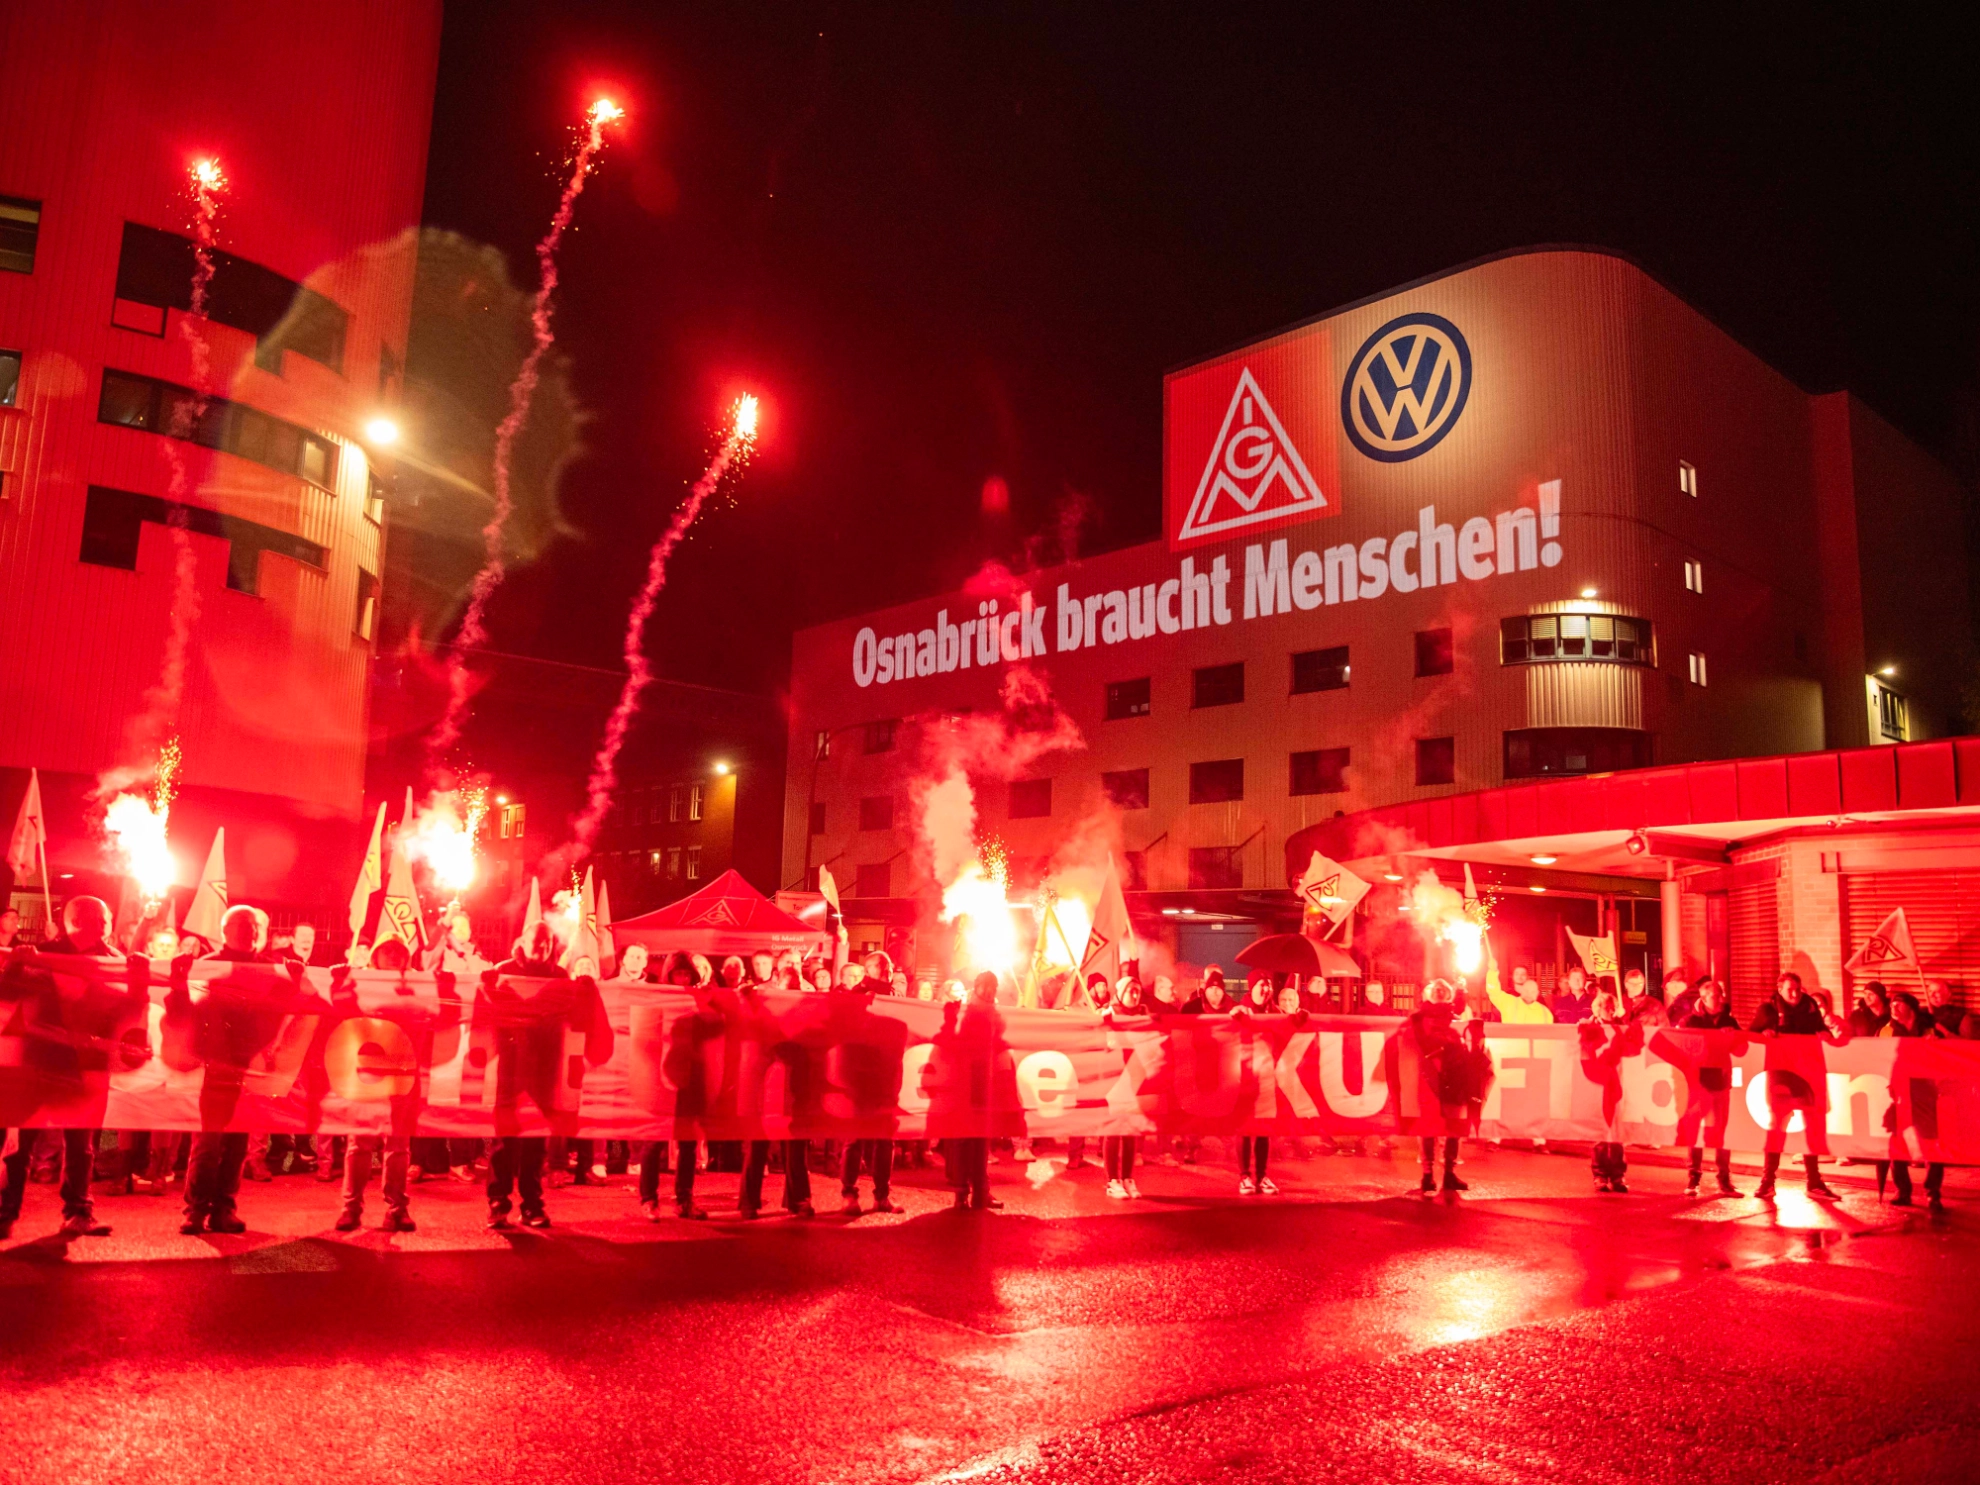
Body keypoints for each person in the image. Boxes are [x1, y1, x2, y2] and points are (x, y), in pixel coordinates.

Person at [0, 896, 144, 1239]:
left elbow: (131, 1009)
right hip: (39, 1063)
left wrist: (138, 977)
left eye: (105, 918)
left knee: (82, 1145)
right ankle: (6, 1211)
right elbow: (6, 999)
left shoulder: (116, 962)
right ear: (77, 921)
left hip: (88, 1067)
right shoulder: (42, 955)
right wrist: (17, 967)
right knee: (19, 1145)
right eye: (99, 918)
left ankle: (79, 1210)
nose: (105, 926)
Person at [483, 922, 568, 1229]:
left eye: (547, 944)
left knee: (535, 1139)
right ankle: (498, 1201)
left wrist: (585, 988)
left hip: (544, 1066)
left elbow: (572, 1012)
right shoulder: (502, 972)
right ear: (523, 941)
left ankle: (532, 1204)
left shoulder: (560, 977)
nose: (541, 949)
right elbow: (485, 1012)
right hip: (510, 1066)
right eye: (537, 942)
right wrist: (487, 986)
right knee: (505, 1139)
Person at [1747, 971, 1838, 1199]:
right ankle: (1767, 1181)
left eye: (1798, 989)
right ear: (1780, 990)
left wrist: (1825, 1034)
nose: (1795, 994)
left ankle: (1814, 1182)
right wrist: (1764, 1033)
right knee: (1777, 1127)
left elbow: (1820, 1029)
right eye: (1790, 990)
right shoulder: (1767, 1010)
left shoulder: (1810, 1007)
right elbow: (1750, 1034)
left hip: (1808, 1074)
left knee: (1813, 1126)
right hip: (1781, 1075)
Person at [1877, 992, 1947, 1210]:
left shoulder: (1930, 1027)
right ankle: (1902, 1190)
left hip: (1926, 1092)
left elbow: (1947, 1055)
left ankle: (1932, 1191)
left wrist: (1936, 1041)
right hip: (1898, 1092)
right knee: (1896, 1142)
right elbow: (1878, 1058)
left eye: (1899, 1004)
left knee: (1931, 1142)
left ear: (1912, 1008)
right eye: (1892, 1004)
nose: (1894, 1007)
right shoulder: (1886, 1031)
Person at [1678, 979, 1741, 1196]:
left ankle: (1724, 1179)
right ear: (1704, 999)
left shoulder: (1730, 1021)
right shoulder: (1690, 1021)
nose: (1720, 999)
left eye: (1720, 995)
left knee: (1720, 1132)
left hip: (1720, 1082)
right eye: (1715, 996)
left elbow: (1741, 1049)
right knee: (1694, 1131)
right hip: (1697, 1083)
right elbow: (1680, 1045)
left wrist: (1732, 1038)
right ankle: (1693, 1178)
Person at [1407, 979, 1468, 1194]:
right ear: (1428, 994)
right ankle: (1427, 1175)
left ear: (1449, 995)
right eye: (1436, 989)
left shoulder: (1456, 1019)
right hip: (1430, 1078)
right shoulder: (1418, 1019)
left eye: (1444, 990)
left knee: (1453, 1127)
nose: (1440, 992)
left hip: (1453, 1078)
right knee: (1428, 1126)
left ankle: (1448, 1173)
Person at [1580, 985, 1641, 1192]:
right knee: (1600, 1131)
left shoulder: (1620, 1028)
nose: (1610, 1009)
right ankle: (1599, 1175)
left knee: (1616, 1131)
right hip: (1597, 1083)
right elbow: (1583, 1054)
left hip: (1616, 1083)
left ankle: (1617, 1175)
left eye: (1613, 1006)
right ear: (1597, 1009)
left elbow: (1634, 1049)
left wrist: (1631, 1028)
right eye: (1606, 1006)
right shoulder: (1589, 1028)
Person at [951, 971, 1004, 1211]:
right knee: (964, 1137)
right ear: (977, 986)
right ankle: (961, 1191)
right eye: (986, 986)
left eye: (993, 986)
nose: (990, 990)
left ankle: (981, 1191)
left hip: (987, 1081)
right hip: (966, 1080)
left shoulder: (997, 1014)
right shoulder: (965, 1010)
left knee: (982, 1138)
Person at [1101, 976, 1151, 1198]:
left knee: (1131, 1131)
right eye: (1130, 990)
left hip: (1136, 1078)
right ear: (1121, 993)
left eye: (1138, 990)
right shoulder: (1109, 1014)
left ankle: (1128, 1178)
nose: (1135, 994)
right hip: (1116, 1078)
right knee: (1114, 1130)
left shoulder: (1143, 1016)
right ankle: (1113, 1180)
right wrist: (1104, 1022)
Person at [1487, 964, 1554, 1024]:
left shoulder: (1543, 1008)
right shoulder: (1508, 1000)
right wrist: (1493, 972)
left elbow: (1548, 1032)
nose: (1520, 976)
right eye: (1517, 974)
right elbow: (1493, 991)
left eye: (1523, 974)